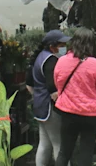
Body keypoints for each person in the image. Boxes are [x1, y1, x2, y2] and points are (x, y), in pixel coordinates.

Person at [53, 28, 96, 166]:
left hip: (68, 112)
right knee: (86, 153)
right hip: (91, 114)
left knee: (64, 152)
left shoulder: (62, 61)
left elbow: (58, 83)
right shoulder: (95, 63)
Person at [29, 29, 70, 166]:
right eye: (61, 45)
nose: (64, 47)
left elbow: (30, 84)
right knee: (59, 144)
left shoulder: (40, 56)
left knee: (44, 144)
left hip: (40, 106)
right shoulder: (51, 60)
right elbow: (53, 90)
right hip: (50, 108)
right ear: (52, 46)